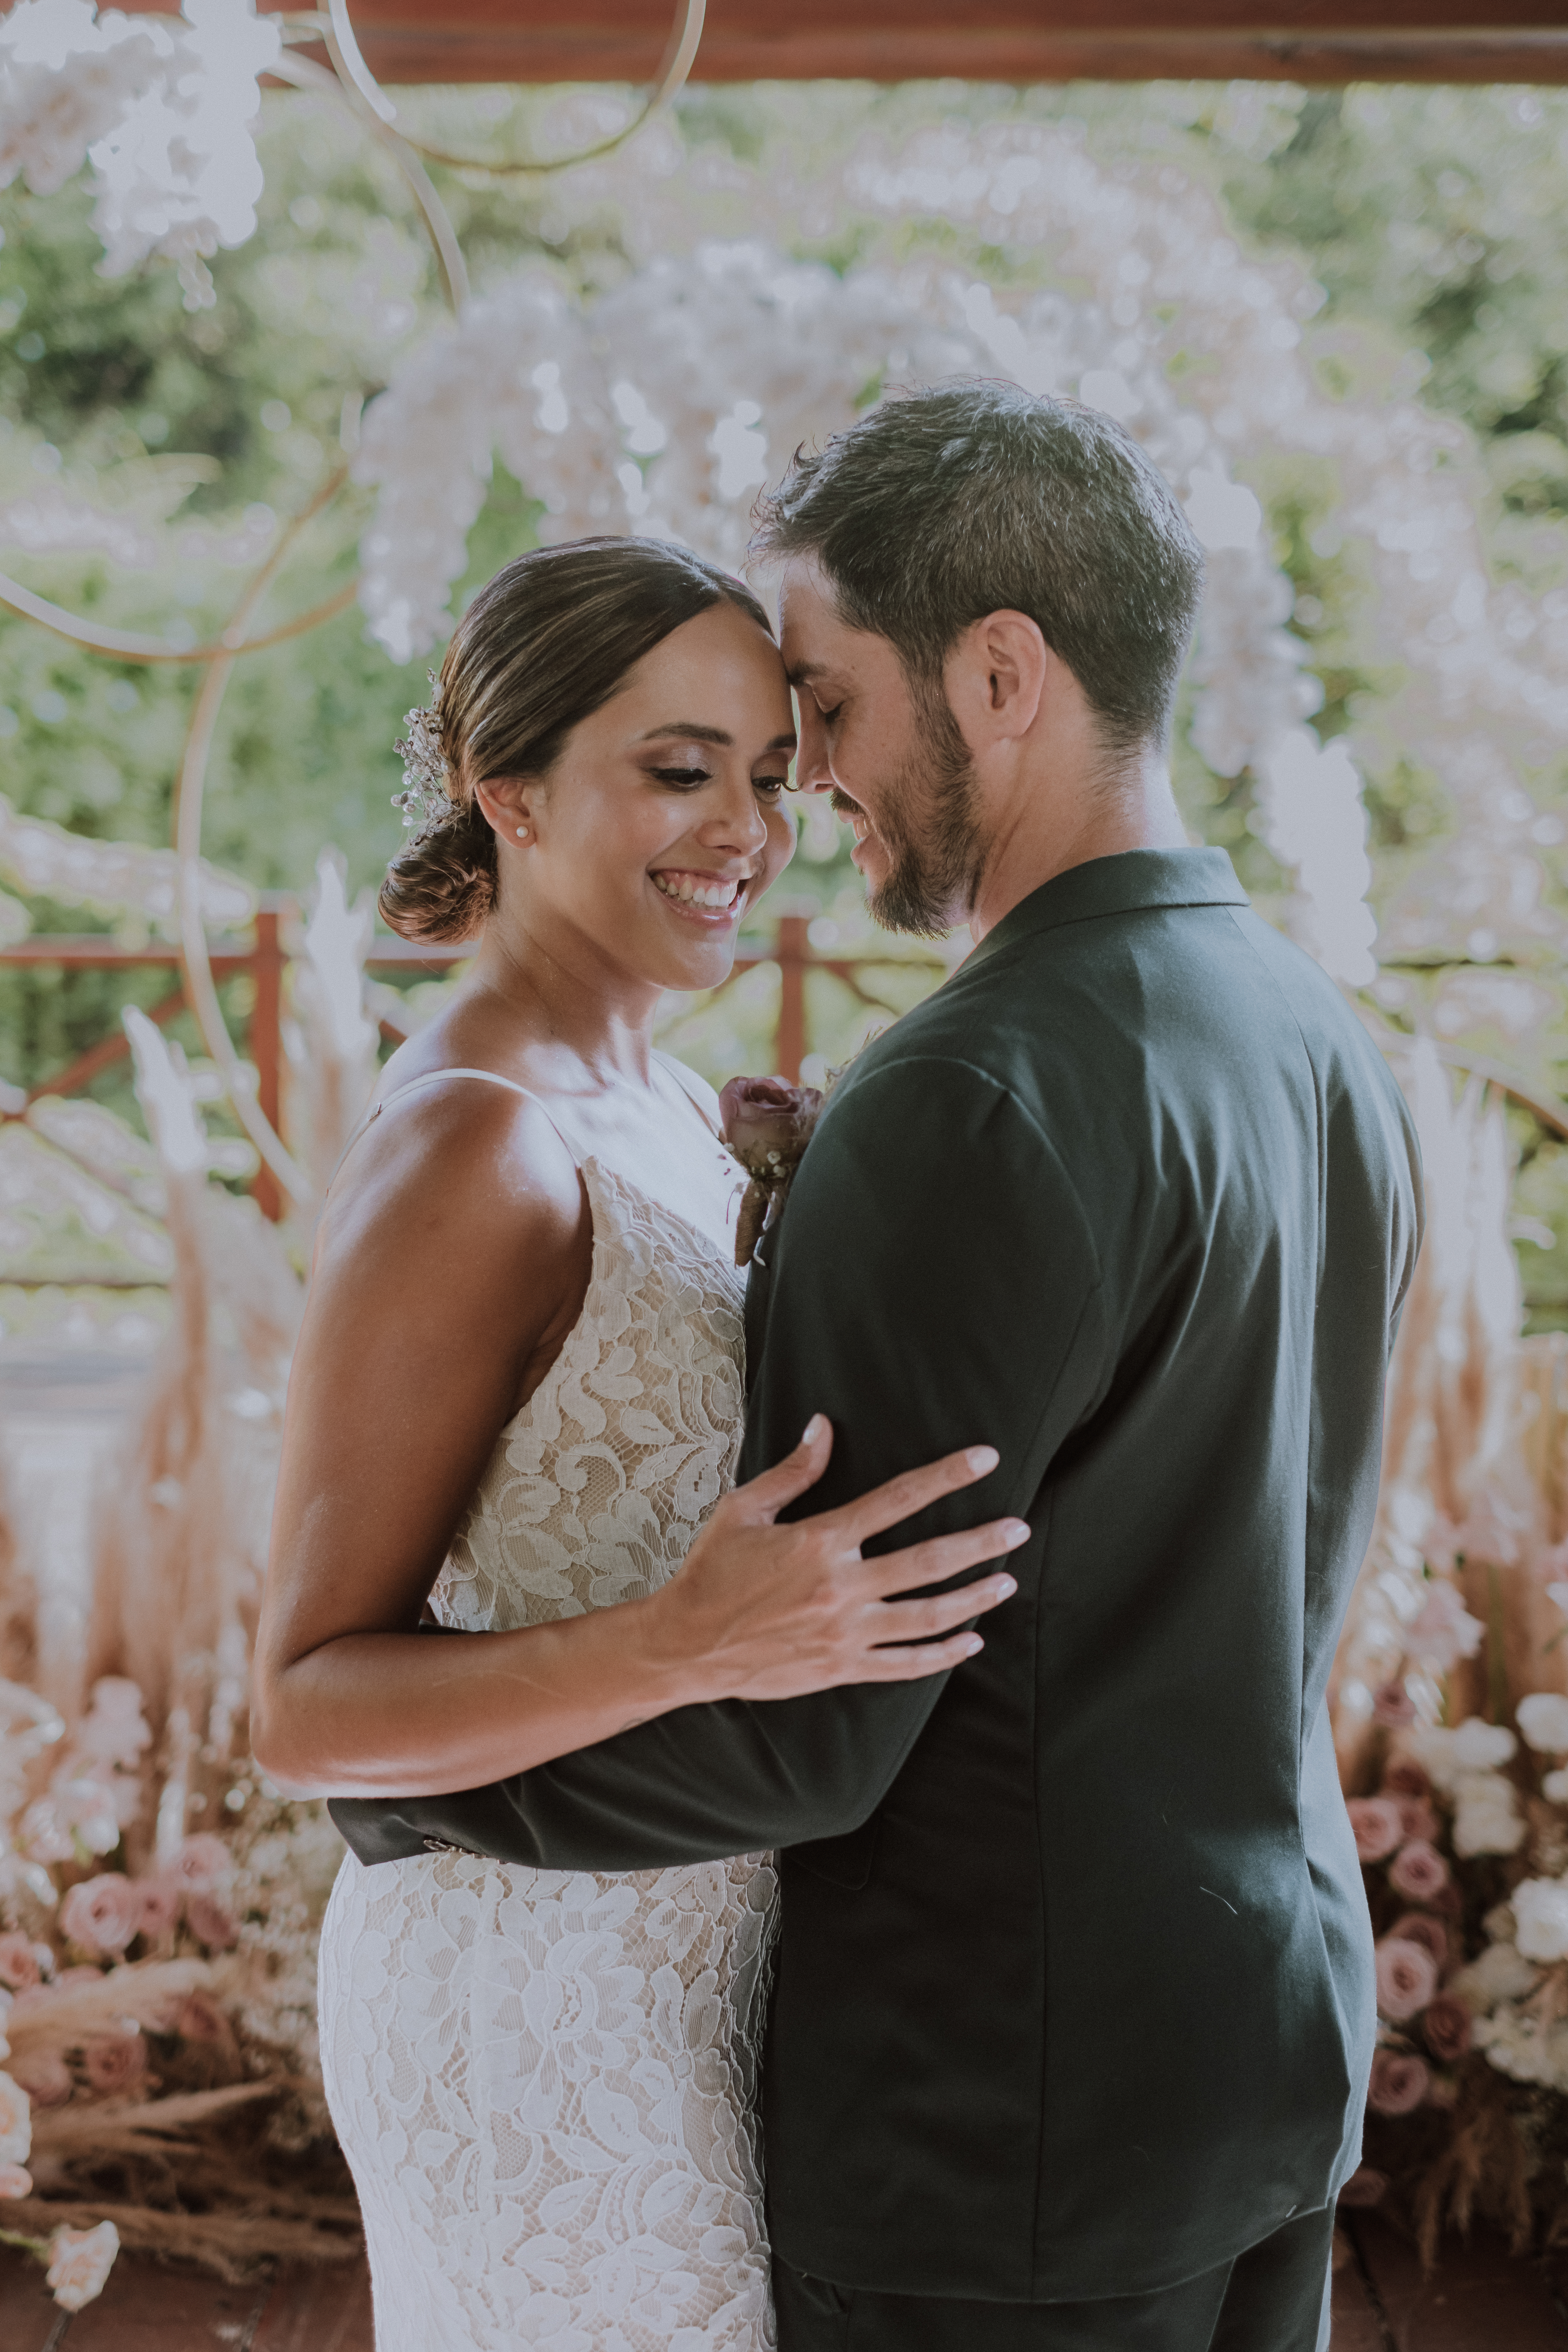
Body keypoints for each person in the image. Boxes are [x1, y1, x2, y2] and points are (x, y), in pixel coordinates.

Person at [334, 383, 1425, 2352]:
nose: (803, 787)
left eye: (819, 711)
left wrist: (408, 1810)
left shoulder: (975, 1088)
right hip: (1259, 2037)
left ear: (999, 673)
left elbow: (809, 1738)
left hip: (995, 2114)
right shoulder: (1306, 1030)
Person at [252, 536, 1024, 2352]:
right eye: (677, 770)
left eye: (768, 773)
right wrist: (692, 1641)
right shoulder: (474, 1146)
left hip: (709, 1969)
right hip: (533, 2004)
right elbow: (302, 1703)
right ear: (502, 789)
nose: (745, 829)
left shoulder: (669, 1100)